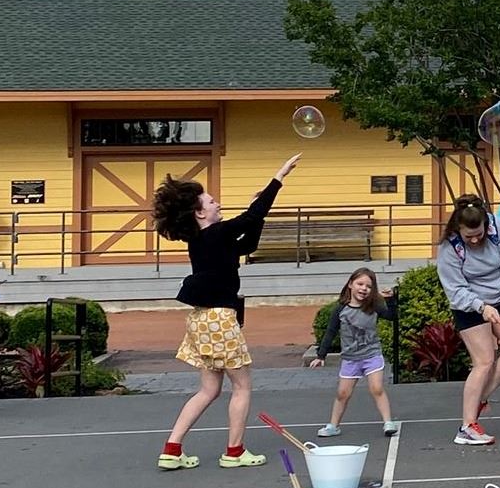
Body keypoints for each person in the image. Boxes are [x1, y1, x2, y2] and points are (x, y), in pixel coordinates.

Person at [153, 154, 300, 470]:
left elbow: (247, 244)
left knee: (208, 390)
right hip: (220, 319)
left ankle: (172, 449)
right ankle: (234, 452)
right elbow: (250, 217)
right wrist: (278, 177)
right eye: (211, 201)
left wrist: (256, 212)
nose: (217, 203)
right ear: (200, 212)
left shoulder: (202, 241)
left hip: (201, 321)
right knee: (242, 386)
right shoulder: (216, 233)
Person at [437, 195, 500, 447]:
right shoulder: (449, 247)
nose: (475, 240)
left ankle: (480, 397)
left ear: (486, 225)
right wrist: (481, 307)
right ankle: (467, 427)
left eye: (479, 234)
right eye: (469, 236)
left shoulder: (499, 228)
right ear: (458, 228)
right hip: (468, 302)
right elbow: (455, 290)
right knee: (484, 361)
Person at [307, 267, 400, 438]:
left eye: (369, 286)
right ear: (350, 284)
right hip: (350, 359)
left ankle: (388, 423)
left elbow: (392, 316)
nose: (364, 288)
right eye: (360, 284)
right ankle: (333, 426)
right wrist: (321, 355)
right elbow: (331, 332)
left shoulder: (374, 306)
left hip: (371, 354)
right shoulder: (340, 309)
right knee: (342, 393)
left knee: (377, 388)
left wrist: (391, 300)